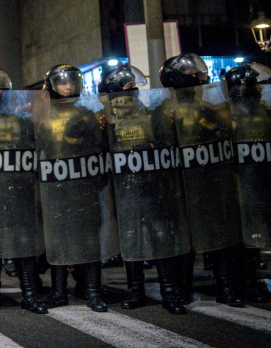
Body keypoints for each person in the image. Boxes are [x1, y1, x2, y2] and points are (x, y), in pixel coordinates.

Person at [100, 63, 189, 313]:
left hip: (151, 184)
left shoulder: (150, 116)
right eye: (127, 88)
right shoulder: (106, 123)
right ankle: (136, 292)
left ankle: (170, 292)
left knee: (160, 235)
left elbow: (165, 144)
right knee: (131, 238)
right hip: (124, 187)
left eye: (133, 89)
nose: (133, 93)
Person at [160, 53, 244, 307]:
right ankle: (182, 289)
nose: (200, 78)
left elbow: (223, 135)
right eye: (193, 75)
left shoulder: (207, 108)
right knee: (184, 239)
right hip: (180, 184)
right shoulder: (163, 111)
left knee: (217, 235)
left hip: (208, 180)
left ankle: (226, 287)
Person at [0, 68, 48, 315]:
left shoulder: (20, 121)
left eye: (1, 89)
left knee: (23, 245)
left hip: (17, 189)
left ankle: (29, 294)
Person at [38, 65, 110, 313]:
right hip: (55, 189)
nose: (68, 86)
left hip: (82, 187)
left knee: (89, 239)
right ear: (52, 86)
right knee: (57, 239)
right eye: (62, 82)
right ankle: (58, 292)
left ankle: (92, 291)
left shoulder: (86, 115)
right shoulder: (43, 117)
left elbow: (100, 150)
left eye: (71, 82)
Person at [223, 62, 271, 303]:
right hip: (238, 180)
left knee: (255, 233)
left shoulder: (263, 110)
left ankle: (252, 280)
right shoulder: (229, 114)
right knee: (240, 235)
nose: (262, 89)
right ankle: (239, 282)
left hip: (259, 179)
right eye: (257, 84)